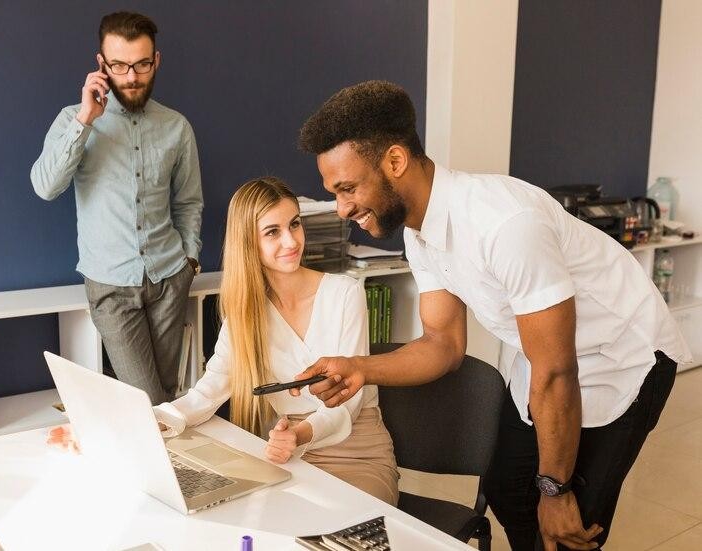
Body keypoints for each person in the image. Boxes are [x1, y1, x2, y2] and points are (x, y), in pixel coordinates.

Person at [293, 80, 690, 550]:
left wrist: (557, 490)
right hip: (546, 360)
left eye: (348, 188)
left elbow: (559, 371)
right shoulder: (419, 233)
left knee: (569, 523)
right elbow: (442, 344)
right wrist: (360, 369)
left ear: (394, 162)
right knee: (508, 488)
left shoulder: (504, 224)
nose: (342, 209)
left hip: (623, 356)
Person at [49, 177, 399, 505]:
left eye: (294, 224)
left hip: (356, 451)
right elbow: (207, 393)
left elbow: (347, 404)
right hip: (289, 452)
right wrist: (114, 427)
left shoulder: (345, 294)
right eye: (272, 232)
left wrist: (301, 433)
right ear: (249, 242)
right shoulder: (246, 313)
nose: (291, 241)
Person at [31, 11, 203, 404]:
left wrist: (189, 261)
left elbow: (189, 201)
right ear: (101, 64)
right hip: (111, 287)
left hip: (169, 279)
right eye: (120, 65)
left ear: (156, 60)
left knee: (169, 398)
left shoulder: (177, 127)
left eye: (142, 64)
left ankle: (168, 467)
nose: (131, 76)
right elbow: (44, 187)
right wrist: (86, 119)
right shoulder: (73, 120)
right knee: (146, 401)